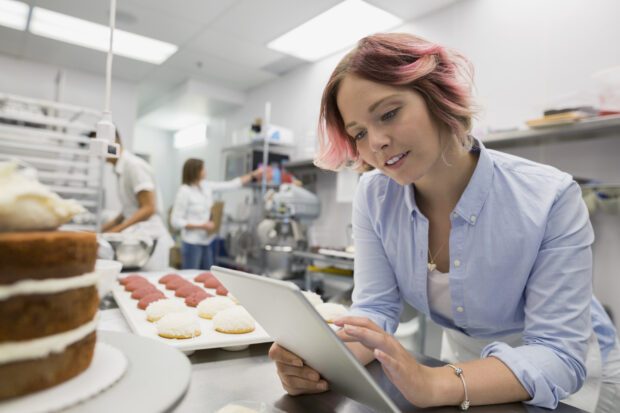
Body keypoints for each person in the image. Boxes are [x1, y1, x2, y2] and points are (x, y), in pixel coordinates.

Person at [268, 33, 620, 411]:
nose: (377, 142)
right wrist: (322, 362)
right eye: (359, 133)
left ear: (437, 96)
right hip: (466, 372)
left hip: (567, 378)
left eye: (388, 113)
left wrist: (435, 382)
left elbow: (557, 353)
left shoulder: (551, 197)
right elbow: (376, 309)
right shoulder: (374, 196)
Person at [89, 130, 174, 271]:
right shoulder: (119, 169)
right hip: (139, 238)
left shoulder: (133, 166)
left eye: (99, 146)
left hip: (150, 241)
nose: (98, 154)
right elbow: (128, 211)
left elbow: (148, 208)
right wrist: (98, 231)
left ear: (114, 142)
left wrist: (116, 231)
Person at [170, 158, 263, 270]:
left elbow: (231, 185)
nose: (205, 171)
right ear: (194, 171)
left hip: (207, 241)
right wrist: (202, 226)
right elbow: (175, 221)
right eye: (203, 169)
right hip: (192, 243)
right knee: (191, 276)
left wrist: (252, 175)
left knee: (208, 275)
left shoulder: (205, 186)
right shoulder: (184, 191)